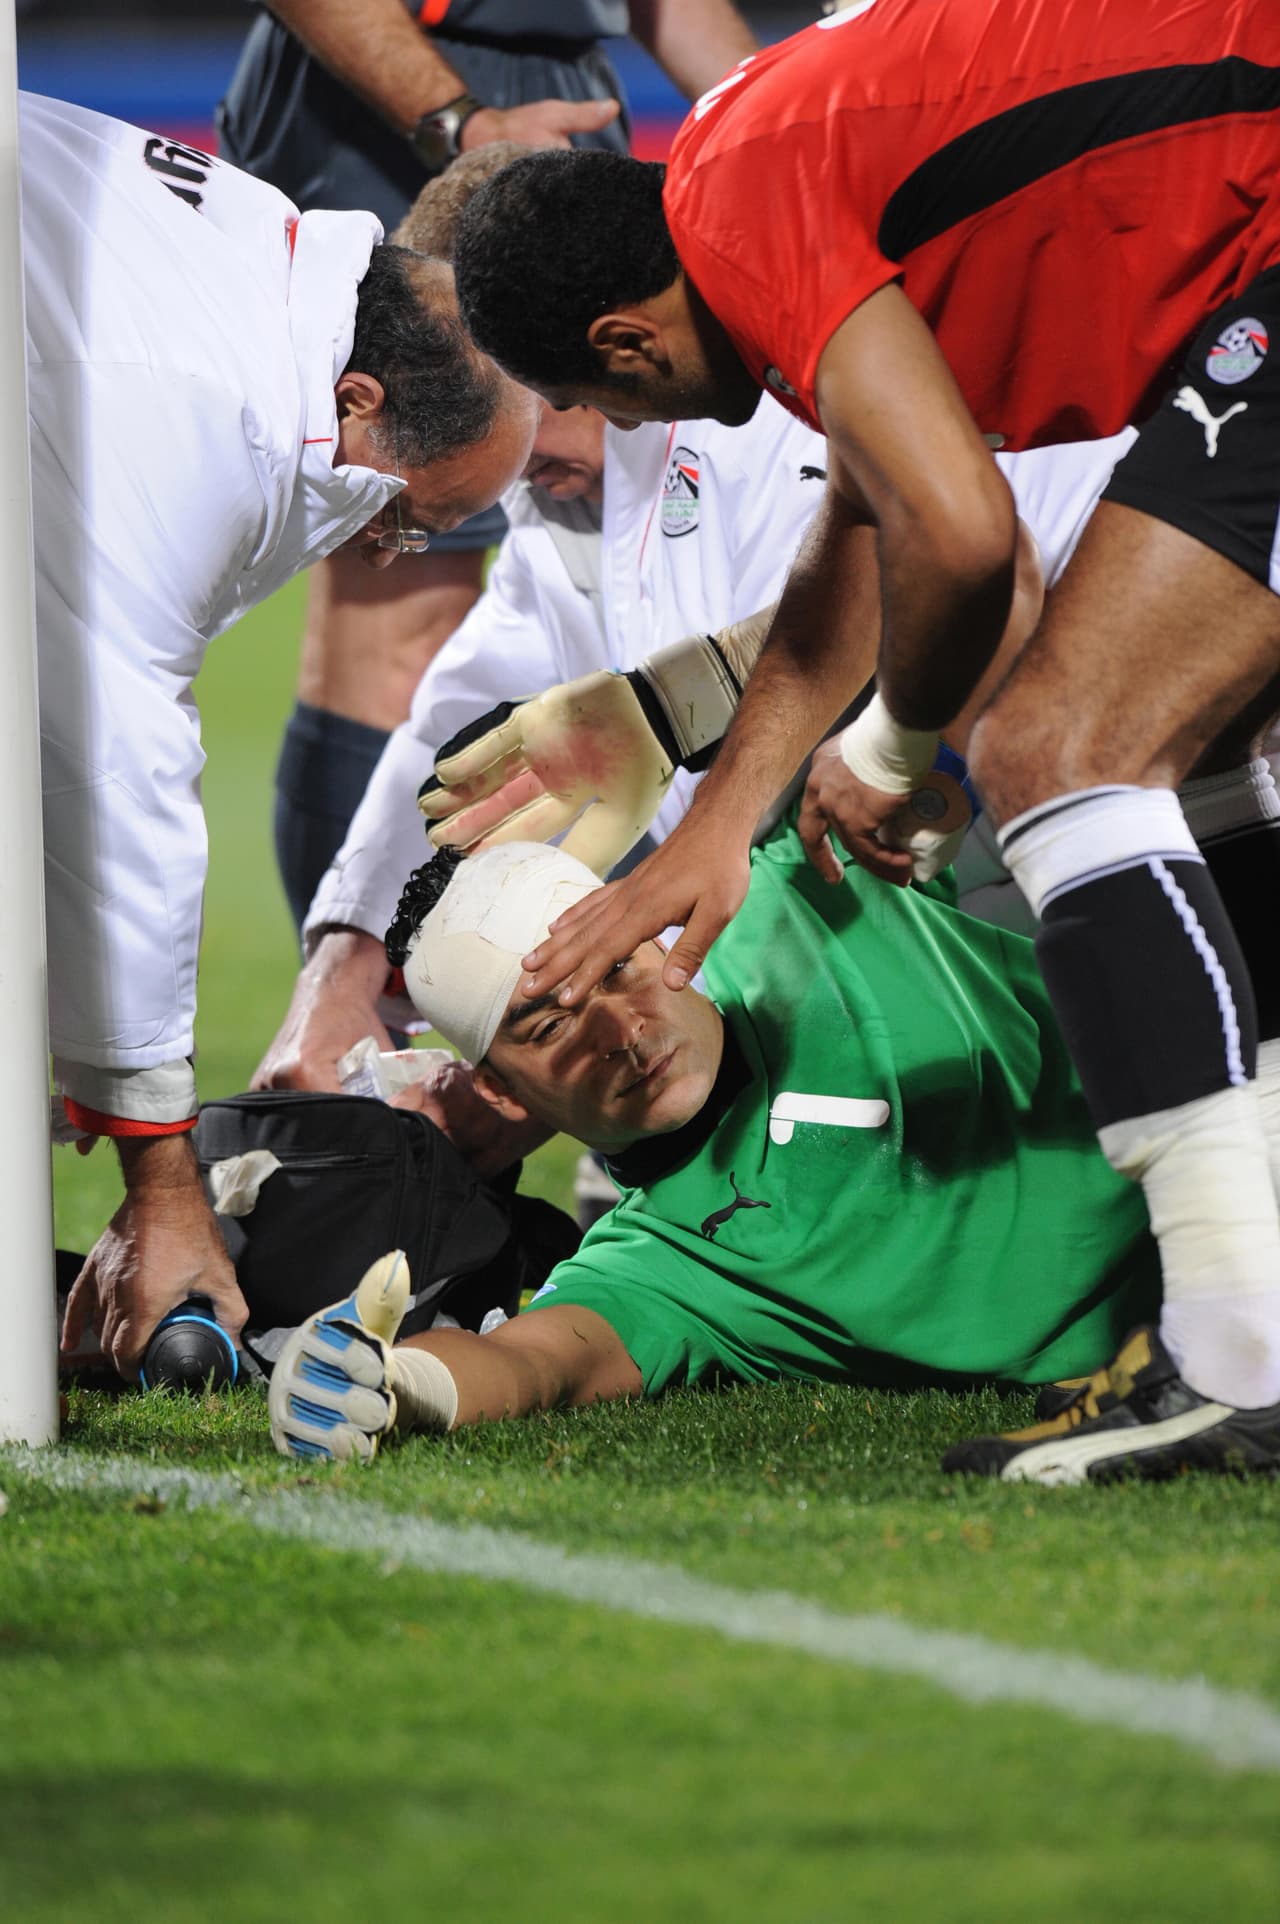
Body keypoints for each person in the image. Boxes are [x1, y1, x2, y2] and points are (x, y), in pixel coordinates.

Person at [449, 2, 1280, 1479]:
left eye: (588, 400)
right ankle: (1252, 1315)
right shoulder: (747, 172)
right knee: (1197, 758)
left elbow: (965, 543)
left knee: (1063, 749)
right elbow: (865, 526)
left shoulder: (746, 195)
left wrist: (893, 749)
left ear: (622, 343)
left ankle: (1235, 1361)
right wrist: (718, 823)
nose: (612, 428)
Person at [23, 92, 538, 1377]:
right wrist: (158, 1176)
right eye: (413, 519)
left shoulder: (268, 280)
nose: (389, 548)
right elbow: (114, 766)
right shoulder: (195, 412)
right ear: (358, 400)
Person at [267, 832, 1170, 1467]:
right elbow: (541, 1360)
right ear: (503, 1093)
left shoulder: (798, 887)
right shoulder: (659, 1269)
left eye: (617, 963)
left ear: (654, 926)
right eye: (550, 1027)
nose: (621, 1029)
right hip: (1188, 1333)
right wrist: (397, 1377)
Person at [217, 0, 760, 933]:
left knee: (583, 511)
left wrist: (770, 129)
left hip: (555, 87)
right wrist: (454, 118)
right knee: (395, 620)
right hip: (402, 86)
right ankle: (360, 1009)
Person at [252, 389, 828, 1096]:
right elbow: (458, 741)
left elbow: (837, 654)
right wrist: (347, 962)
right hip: (757, 945)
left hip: (922, 892)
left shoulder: (772, 428)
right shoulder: (552, 495)